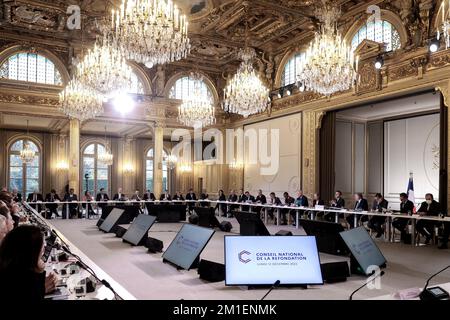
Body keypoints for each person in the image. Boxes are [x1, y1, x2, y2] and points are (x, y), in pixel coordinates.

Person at [0, 225, 58, 300]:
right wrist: (40, 287)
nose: (44, 249)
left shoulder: (11, 270)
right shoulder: (19, 282)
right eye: (42, 246)